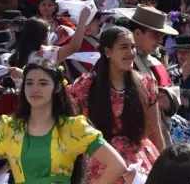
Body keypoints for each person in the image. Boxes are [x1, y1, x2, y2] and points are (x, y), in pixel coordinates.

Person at [0, 59, 131, 184]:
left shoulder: (74, 128)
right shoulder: (9, 128)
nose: (35, 89)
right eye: (29, 83)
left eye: (43, 83)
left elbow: (117, 165)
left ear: (57, 88)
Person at [68, 25, 164, 182]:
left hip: (140, 158)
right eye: (124, 47)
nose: (131, 53)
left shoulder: (146, 83)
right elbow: (71, 126)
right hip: (101, 157)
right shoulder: (86, 85)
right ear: (107, 52)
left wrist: (165, 165)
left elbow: (155, 130)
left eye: (133, 47)